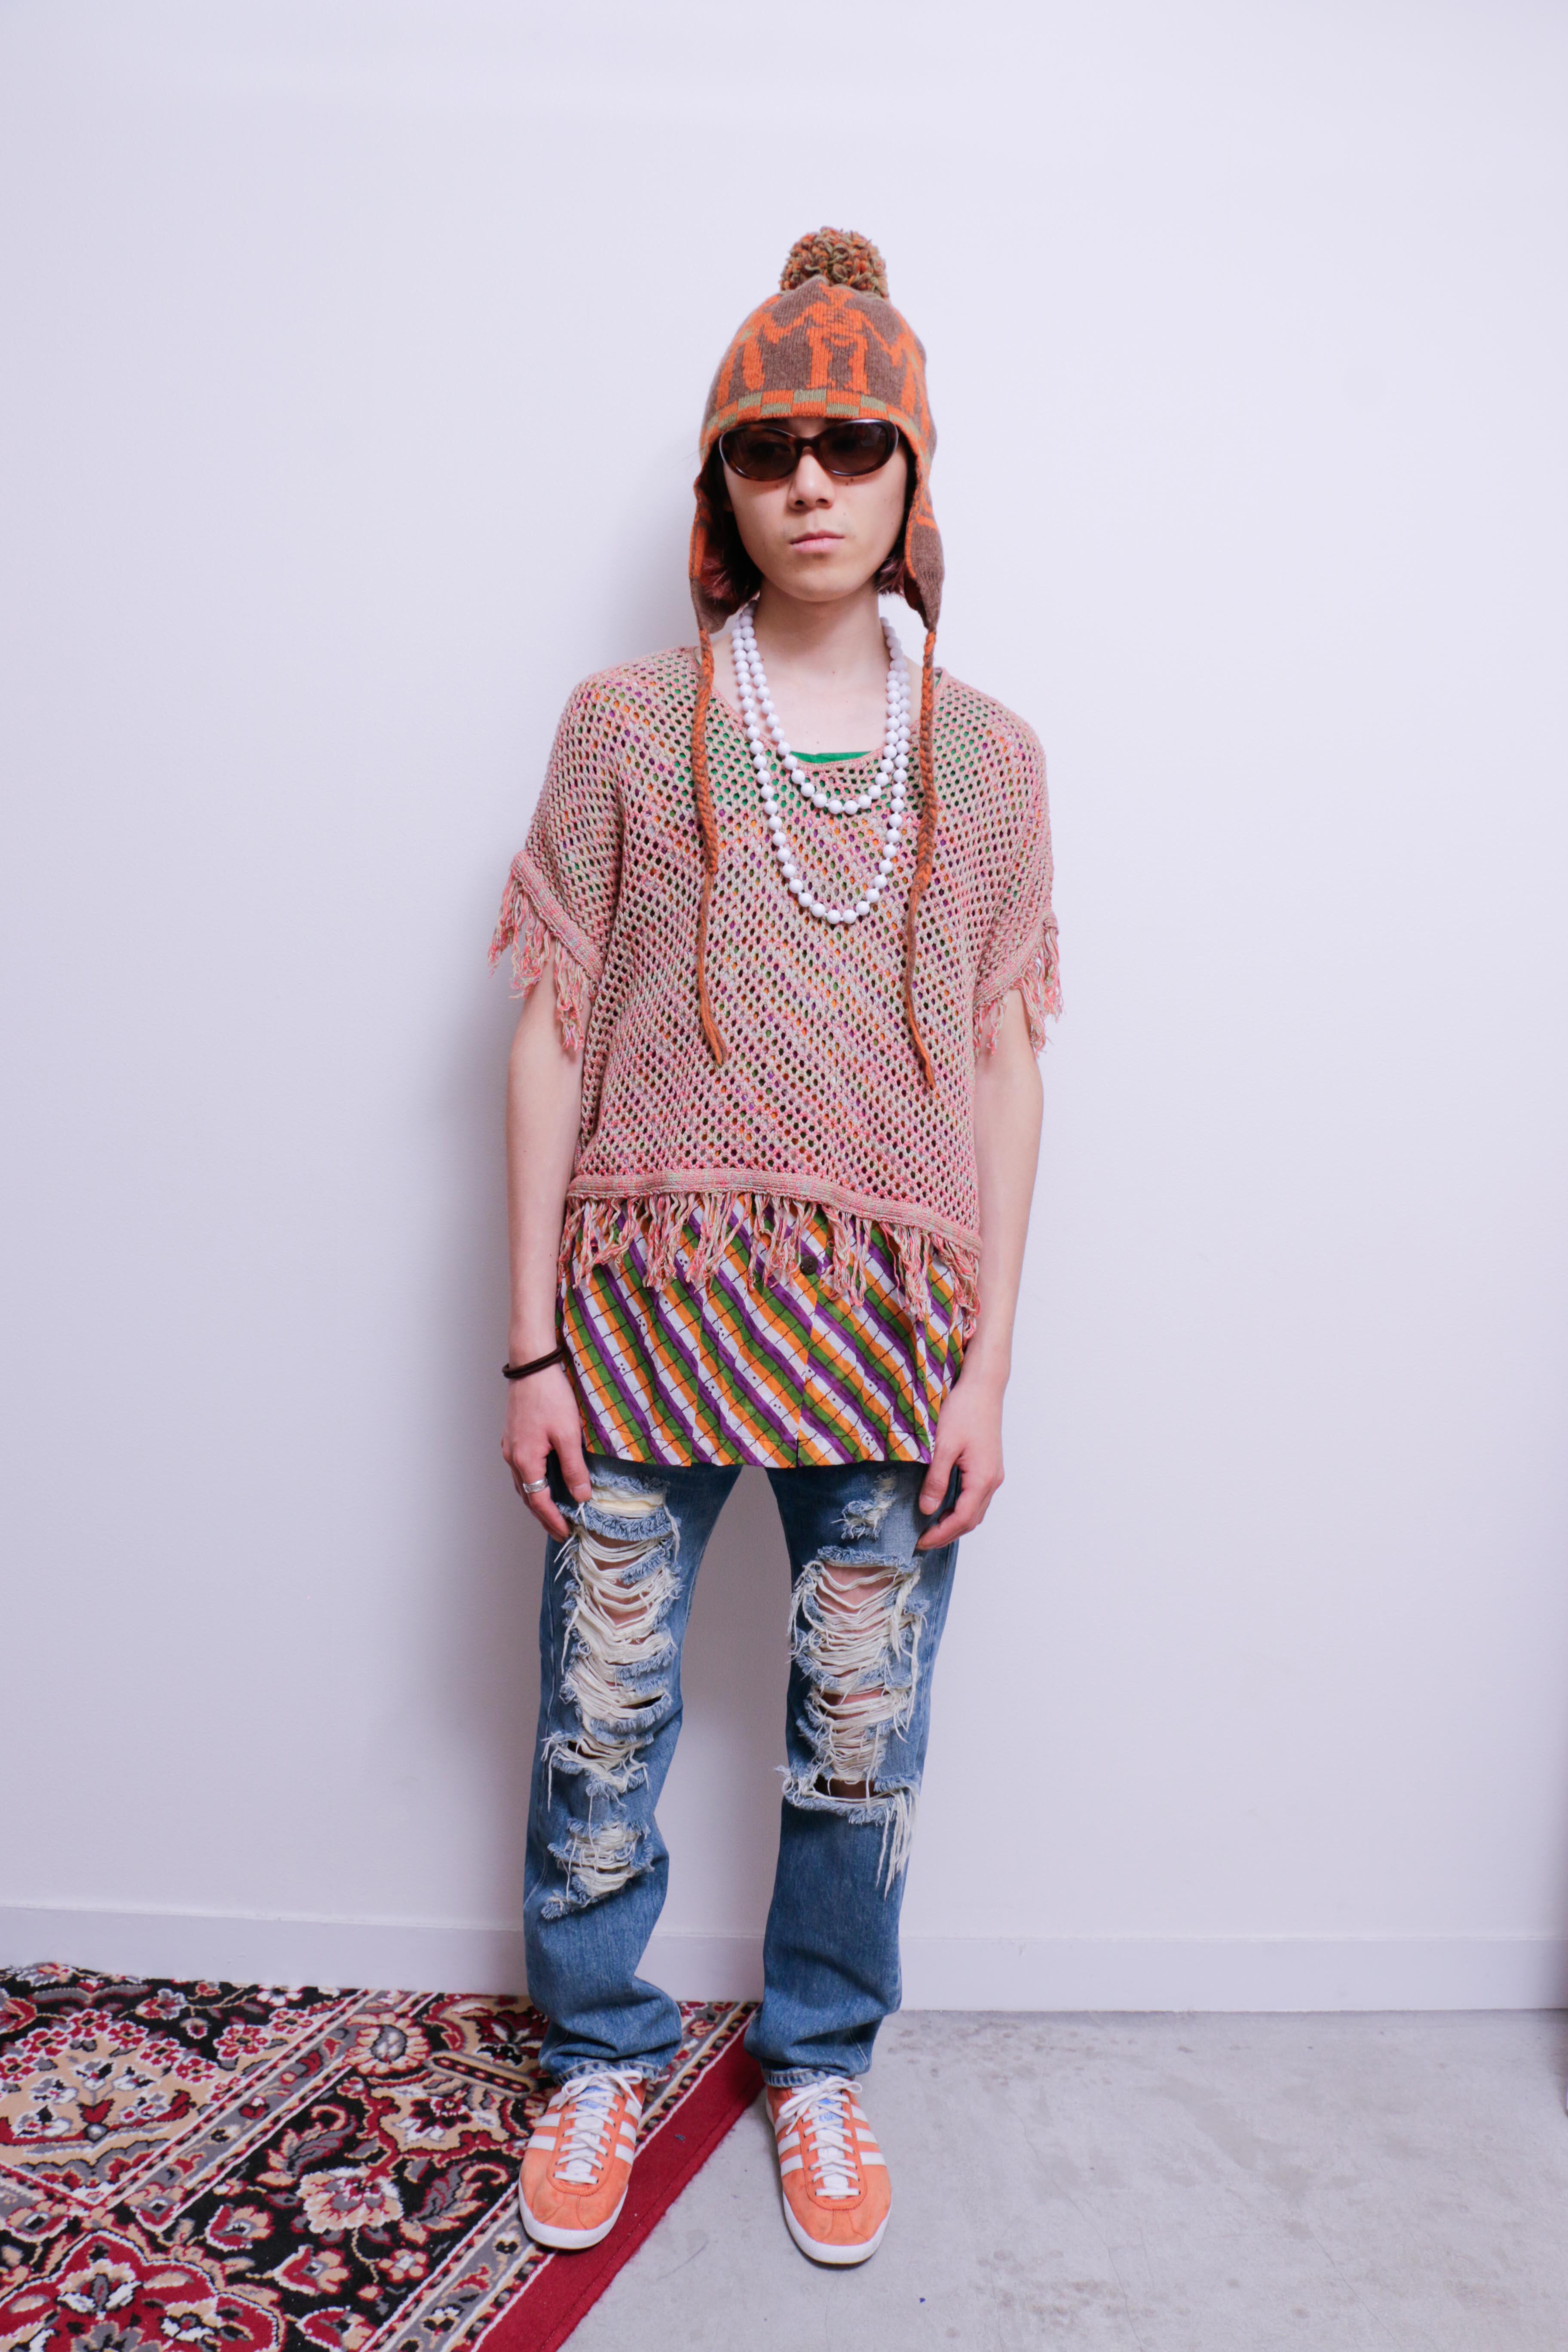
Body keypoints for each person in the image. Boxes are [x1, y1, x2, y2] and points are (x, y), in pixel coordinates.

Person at [490, 228, 1059, 2268]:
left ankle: (820, 2064)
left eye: (851, 445)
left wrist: (989, 1367)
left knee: (860, 1731)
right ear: (722, 487)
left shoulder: (987, 761)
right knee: (603, 1711)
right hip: (644, 1320)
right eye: (767, 448)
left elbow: (1004, 1067)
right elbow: (552, 1034)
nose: (810, 483)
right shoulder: (624, 729)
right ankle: (599, 2050)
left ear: (913, 479)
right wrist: (530, 1346)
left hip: (890, 1337)